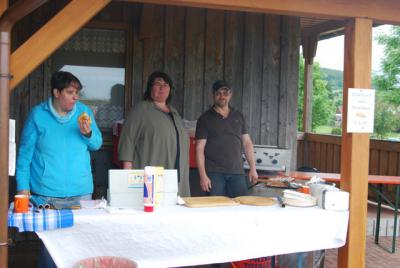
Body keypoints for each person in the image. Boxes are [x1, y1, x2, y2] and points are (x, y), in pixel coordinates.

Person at [16, 71, 103, 208]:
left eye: (77, 93)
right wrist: (23, 188)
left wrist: (88, 134)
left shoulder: (84, 112)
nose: (76, 97)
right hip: (45, 195)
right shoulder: (37, 115)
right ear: (56, 93)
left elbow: (97, 144)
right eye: (70, 92)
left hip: (82, 193)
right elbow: (24, 157)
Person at [118, 71, 190, 197]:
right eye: (158, 84)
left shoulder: (174, 112)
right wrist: (127, 175)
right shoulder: (141, 109)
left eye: (166, 84)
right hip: (152, 173)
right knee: (153, 207)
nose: (162, 87)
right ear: (150, 88)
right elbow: (128, 139)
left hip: (177, 174)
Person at [195, 80, 258, 198]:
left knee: (241, 207)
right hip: (214, 173)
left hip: (237, 172)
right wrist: (203, 176)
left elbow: (247, 143)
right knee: (215, 208)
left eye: (225, 93)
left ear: (230, 94)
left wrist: (253, 168)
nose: (222, 96)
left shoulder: (238, 116)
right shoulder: (205, 119)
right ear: (213, 95)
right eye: (218, 93)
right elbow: (199, 148)